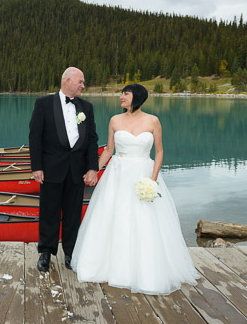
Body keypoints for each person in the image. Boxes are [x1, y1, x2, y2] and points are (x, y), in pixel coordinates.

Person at [71, 83, 200, 295]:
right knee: (115, 217)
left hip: (143, 173)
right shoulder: (114, 120)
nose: (121, 96)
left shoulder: (153, 121)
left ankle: (146, 270)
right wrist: (94, 169)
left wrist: (153, 180)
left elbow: (159, 152)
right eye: (121, 93)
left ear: (137, 97)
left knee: (145, 220)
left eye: (126, 94)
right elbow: (109, 150)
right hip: (118, 174)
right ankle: (111, 265)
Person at [29, 67, 99, 272]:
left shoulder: (87, 107)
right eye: (80, 81)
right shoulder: (43, 104)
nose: (83, 85)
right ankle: (45, 253)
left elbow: (92, 140)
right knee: (49, 211)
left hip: (76, 170)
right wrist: (37, 167)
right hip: (51, 169)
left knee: (73, 213)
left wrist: (92, 167)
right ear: (67, 81)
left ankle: (70, 254)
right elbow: (35, 138)